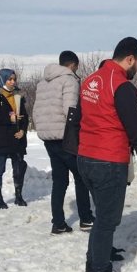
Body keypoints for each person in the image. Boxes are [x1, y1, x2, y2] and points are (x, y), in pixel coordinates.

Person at [77, 37, 137, 272]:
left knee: (102, 215)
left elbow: (79, 117)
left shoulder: (91, 80)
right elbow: (136, 130)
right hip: (108, 160)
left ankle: (98, 257)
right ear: (130, 59)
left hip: (86, 157)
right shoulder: (121, 86)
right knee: (107, 219)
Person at [33, 50, 95, 235]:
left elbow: (36, 110)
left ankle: (58, 223)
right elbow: (71, 110)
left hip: (48, 137)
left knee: (59, 181)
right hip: (65, 137)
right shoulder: (69, 80)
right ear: (73, 65)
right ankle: (86, 219)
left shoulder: (42, 83)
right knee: (81, 178)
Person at [0, 68, 29, 209]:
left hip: (17, 138)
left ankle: (19, 195)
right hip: (1, 139)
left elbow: (25, 118)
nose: (12, 82)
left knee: (19, 167)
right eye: (9, 79)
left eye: (14, 79)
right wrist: (9, 118)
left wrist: (22, 130)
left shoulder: (18, 96)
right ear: (3, 79)